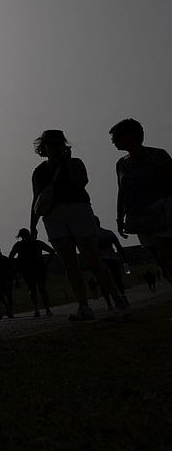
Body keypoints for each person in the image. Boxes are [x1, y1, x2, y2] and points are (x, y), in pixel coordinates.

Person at [29, 129, 127, 320]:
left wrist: (67, 162)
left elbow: (81, 182)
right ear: (44, 147)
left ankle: (118, 297)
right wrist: (33, 224)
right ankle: (83, 306)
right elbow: (36, 199)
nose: (56, 148)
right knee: (70, 264)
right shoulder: (39, 171)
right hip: (53, 215)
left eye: (59, 144)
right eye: (52, 144)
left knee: (92, 259)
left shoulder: (75, 163)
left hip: (78, 209)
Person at [110, 118, 172, 283]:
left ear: (130, 136)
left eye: (117, 136)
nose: (113, 141)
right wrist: (119, 216)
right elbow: (122, 191)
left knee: (166, 253)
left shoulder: (157, 155)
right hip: (139, 217)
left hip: (162, 212)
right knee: (158, 257)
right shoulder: (121, 164)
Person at [9, 228, 55, 317]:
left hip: (28, 269)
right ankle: (47, 309)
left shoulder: (19, 245)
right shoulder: (37, 243)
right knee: (42, 289)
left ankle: (36, 309)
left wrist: (18, 264)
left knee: (32, 290)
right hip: (39, 268)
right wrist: (46, 264)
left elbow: (11, 257)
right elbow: (52, 251)